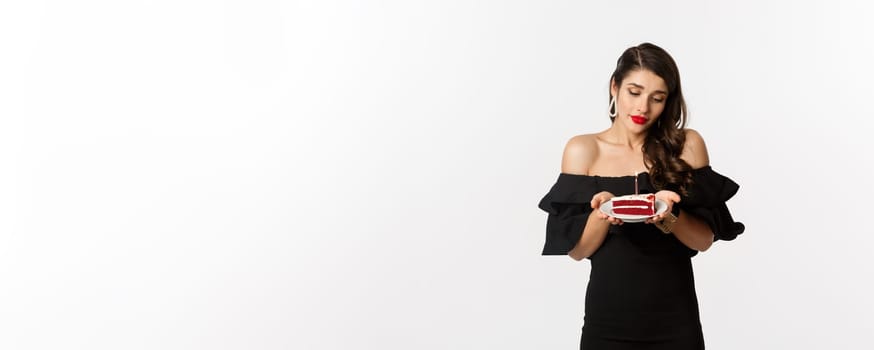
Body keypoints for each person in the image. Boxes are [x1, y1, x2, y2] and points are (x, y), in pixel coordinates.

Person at [538, 42, 745, 349]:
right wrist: (601, 213)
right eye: (634, 93)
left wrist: (669, 217)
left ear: (668, 101)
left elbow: (703, 241)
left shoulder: (687, 145)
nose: (642, 108)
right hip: (607, 322)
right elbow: (577, 251)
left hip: (676, 322)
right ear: (614, 87)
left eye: (657, 98)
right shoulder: (583, 149)